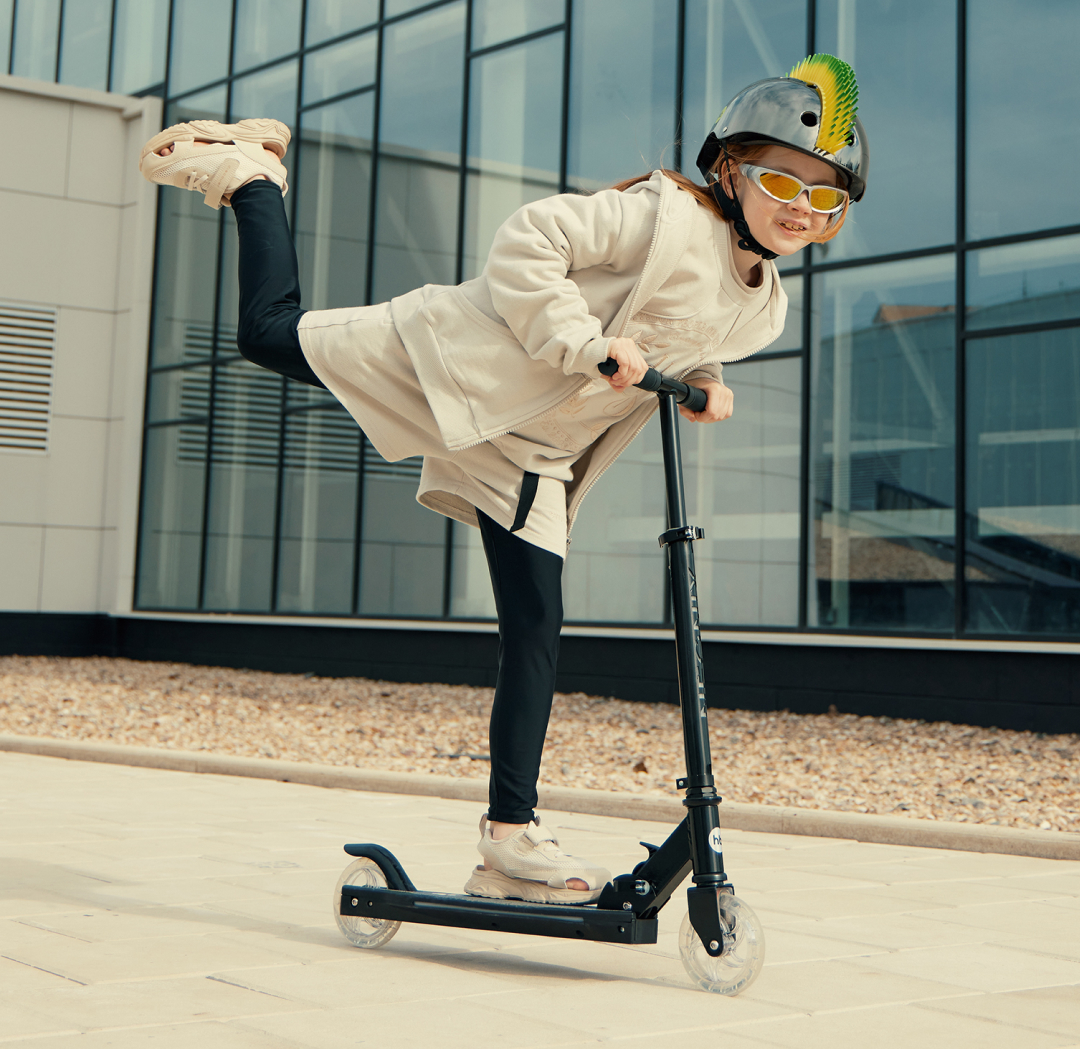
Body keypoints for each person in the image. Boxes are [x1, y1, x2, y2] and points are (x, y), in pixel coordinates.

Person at [139, 54, 868, 906]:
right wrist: (579, 342)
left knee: (536, 625)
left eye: (825, 196)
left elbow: (679, 329)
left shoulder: (764, 303)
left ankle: (507, 842)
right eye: (783, 179)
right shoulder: (659, 216)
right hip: (461, 358)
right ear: (730, 168)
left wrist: (703, 377)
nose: (799, 207)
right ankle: (252, 174)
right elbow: (532, 239)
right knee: (268, 335)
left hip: (531, 452)